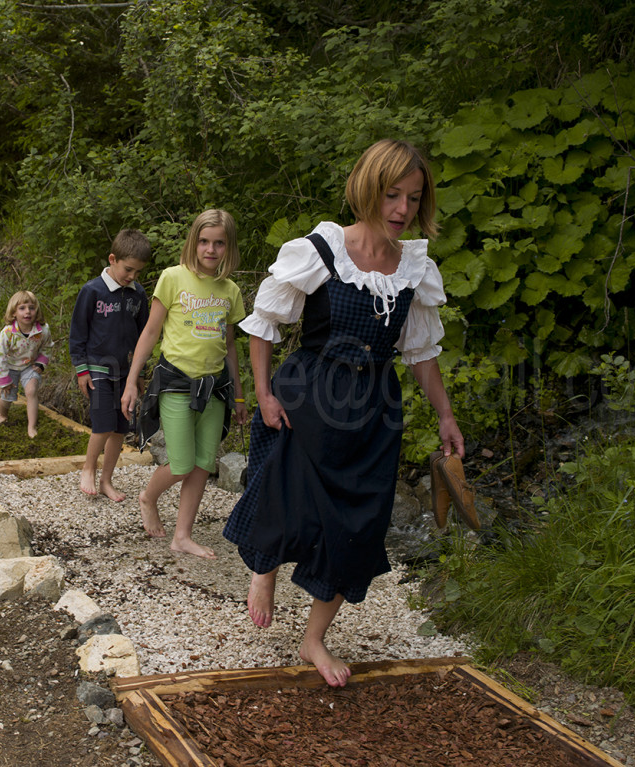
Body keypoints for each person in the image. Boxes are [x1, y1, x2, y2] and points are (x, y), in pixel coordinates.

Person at [222, 139, 464, 688]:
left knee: (359, 524)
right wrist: (263, 394)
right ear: (367, 190)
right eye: (391, 195)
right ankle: (265, 568)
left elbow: (421, 352)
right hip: (311, 392)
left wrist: (446, 416)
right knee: (287, 493)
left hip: (374, 409)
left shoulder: (415, 268)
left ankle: (314, 639)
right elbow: (263, 325)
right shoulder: (320, 250)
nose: (402, 209)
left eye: (413, 197)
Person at [121, 209, 248, 559]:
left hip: (216, 389)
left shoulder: (230, 290)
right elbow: (150, 332)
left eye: (219, 243)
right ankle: (149, 496)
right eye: (204, 241)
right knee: (180, 463)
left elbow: (231, 345)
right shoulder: (172, 278)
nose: (211, 249)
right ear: (194, 242)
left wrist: (239, 395)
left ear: (228, 247)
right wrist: (132, 382)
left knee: (203, 463)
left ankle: (183, 535)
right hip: (176, 382)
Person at [69, 229, 152, 501]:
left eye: (138, 272)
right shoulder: (91, 291)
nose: (132, 277)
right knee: (103, 424)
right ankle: (88, 468)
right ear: (113, 259)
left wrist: (139, 373)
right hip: (97, 370)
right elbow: (78, 334)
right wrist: (81, 370)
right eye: (128, 269)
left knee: (120, 427)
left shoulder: (138, 295)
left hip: (125, 373)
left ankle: (106, 480)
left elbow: (143, 336)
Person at [0, 291, 52, 438]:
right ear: (14, 313)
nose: (27, 312)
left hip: (29, 366)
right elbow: (0, 356)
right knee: (7, 396)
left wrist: (41, 363)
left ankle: (31, 427)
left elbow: (47, 347)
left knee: (31, 390)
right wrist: (3, 379)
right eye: (22, 308)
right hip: (10, 367)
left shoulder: (43, 330)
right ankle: (3, 415)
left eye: (31, 308)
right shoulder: (7, 333)